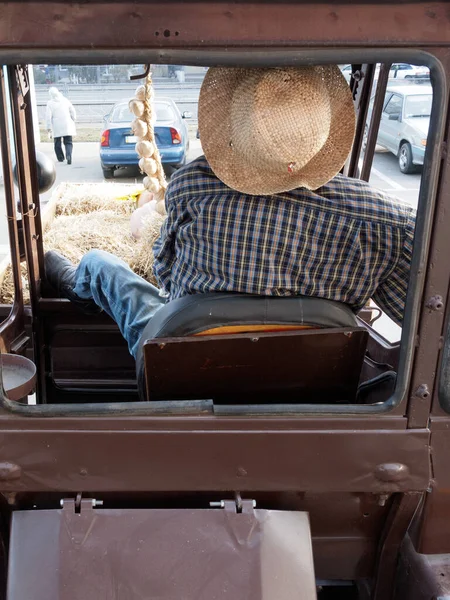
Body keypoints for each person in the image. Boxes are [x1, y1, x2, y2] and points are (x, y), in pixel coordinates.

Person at [45, 65, 415, 361]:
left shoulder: (192, 183)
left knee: (98, 263)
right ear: (323, 135)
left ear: (234, 127)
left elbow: (166, 275)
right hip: (311, 391)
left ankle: (76, 284)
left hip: (185, 362)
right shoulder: (384, 221)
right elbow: (423, 323)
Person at [45, 87, 76, 165]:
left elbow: (48, 117)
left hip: (56, 125)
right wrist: (73, 119)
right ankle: (68, 155)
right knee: (68, 142)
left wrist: (48, 127)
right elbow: (72, 110)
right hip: (67, 124)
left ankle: (60, 158)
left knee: (57, 143)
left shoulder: (50, 103)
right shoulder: (65, 100)